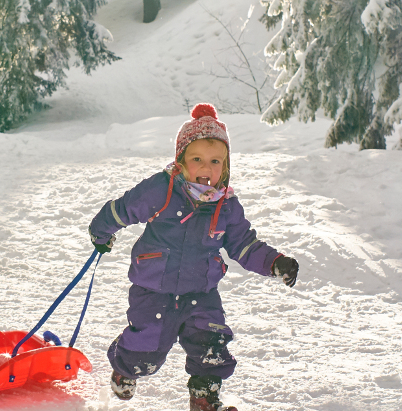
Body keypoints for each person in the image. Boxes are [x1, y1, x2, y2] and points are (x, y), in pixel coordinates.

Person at [87, 103, 301, 411]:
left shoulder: (225, 206)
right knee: (146, 352)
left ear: (225, 167)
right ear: (181, 160)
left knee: (211, 345)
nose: (206, 167)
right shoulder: (162, 188)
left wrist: (274, 262)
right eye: (197, 158)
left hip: (201, 292)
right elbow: (124, 208)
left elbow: (244, 244)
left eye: (215, 161)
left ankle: (205, 397)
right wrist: (101, 230)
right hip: (153, 288)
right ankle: (125, 368)